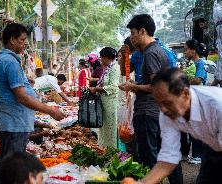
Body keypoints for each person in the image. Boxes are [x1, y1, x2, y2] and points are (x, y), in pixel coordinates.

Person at [122, 68, 222, 184]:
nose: (163, 109)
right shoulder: (168, 112)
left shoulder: (217, 106)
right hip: (213, 147)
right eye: (159, 103)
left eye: (167, 103)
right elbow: (168, 157)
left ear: (185, 93)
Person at [119, 14, 183, 183]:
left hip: (149, 111)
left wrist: (133, 86)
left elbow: (157, 87)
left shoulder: (151, 53)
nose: (131, 38)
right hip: (159, 111)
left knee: (149, 158)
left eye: (133, 33)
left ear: (142, 31)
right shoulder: (157, 51)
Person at [0, 23, 65, 160]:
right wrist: (51, 111)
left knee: (11, 165)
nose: (25, 44)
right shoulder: (10, 62)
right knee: (13, 168)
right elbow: (22, 97)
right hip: (13, 125)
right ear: (12, 40)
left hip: (14, 123)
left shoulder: (5, 60)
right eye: (22, 40)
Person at [90, 47, 120, 148]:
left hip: (111, 104)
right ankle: (104, 149)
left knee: (110, 131)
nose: (101, 60)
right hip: (105, 103)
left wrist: (96, 89)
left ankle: (111, 152)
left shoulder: (115, 68)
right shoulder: (109, 68)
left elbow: (114, 87)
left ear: (107, 58)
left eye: (102, 58)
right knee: (104, 129)